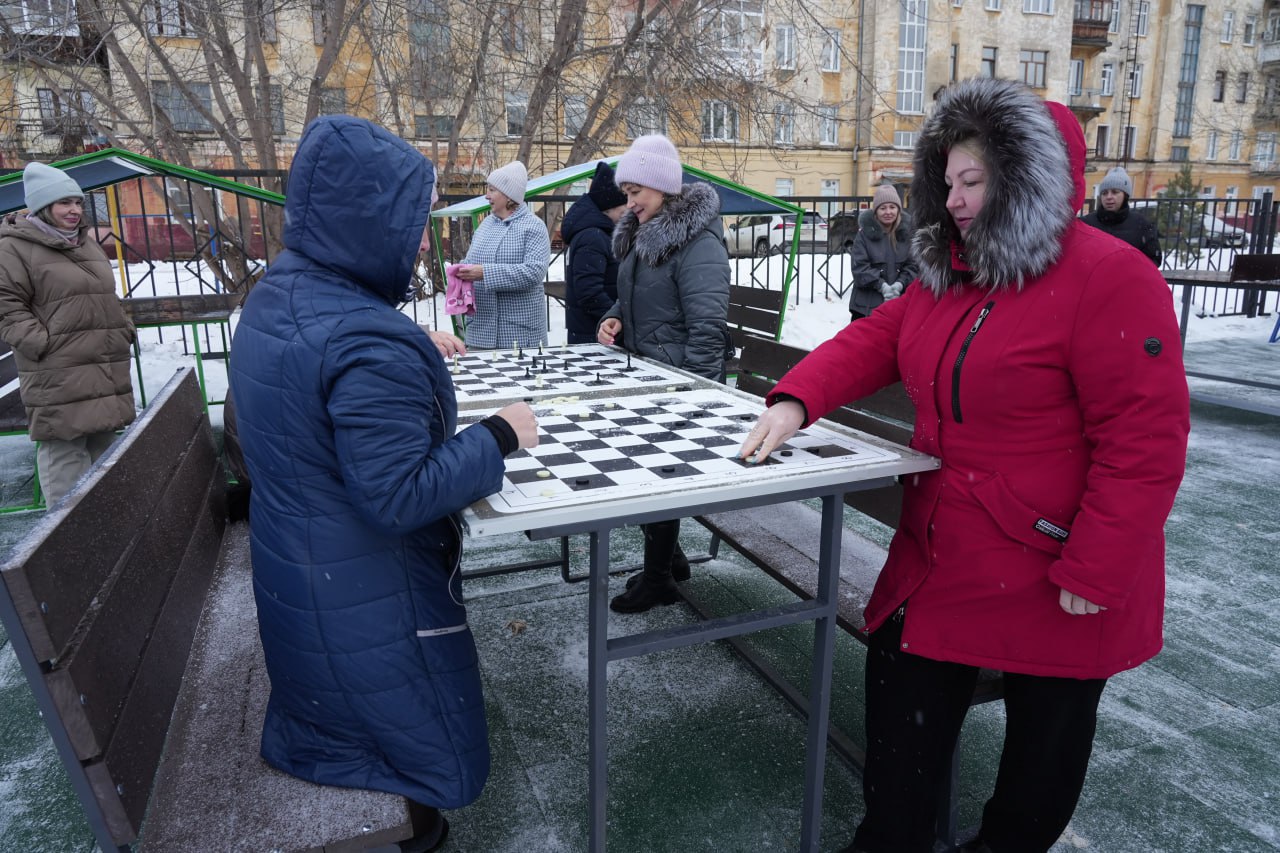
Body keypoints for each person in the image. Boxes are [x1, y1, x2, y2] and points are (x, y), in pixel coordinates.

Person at [740, 78, 1190, 853]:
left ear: (1025, 179)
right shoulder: (949, 276)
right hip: (946, 553)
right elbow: (874, 339)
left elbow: (1144, 437)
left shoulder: (1108, 276)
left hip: (1059, 563)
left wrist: (1096, 565)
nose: (952, 200)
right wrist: (796, 400)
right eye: (947, 181)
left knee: (1038, 770)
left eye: (972, 181)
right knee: (900, 712)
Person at [228, 115, 538, 853]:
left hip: (309, 578)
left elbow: (312, 379)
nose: (424, 241)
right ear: (368, 215)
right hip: (366, 604)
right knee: (437, 750)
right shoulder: (365, 340)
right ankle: (419, 832)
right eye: (415, 220)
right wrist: (501, 433)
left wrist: (396, 336)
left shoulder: (278, 295)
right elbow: (399, 495)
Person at [596, 133, 732, 613]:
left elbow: (708, 325)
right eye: (626, 193)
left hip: (679, 383)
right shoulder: (646, 232)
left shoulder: (698, 243)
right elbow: (637, 297)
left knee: (656, 475)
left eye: (636, 192)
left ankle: (658, 580)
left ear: (664, 187)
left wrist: (696, 393)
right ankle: (669, 560)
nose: (629, 202)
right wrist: (614, 316)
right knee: (639, 467)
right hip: (649, 375)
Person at [0, 162, 136, 506]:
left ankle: (105, 525)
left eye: (77, 202)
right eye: (64, 203)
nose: (74, 210)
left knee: (104, 446)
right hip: (57, 368)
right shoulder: (13, 248)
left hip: (102, 361)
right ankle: (66, 530)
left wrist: (123, 328)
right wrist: (43, 344)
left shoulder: (85, 243)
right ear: (43, 206)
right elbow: (7, 307)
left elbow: (104, 294)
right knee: (64, 450)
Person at [454, 161, 551, 350]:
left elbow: (534, 272)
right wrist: (461, 271)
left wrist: (485, 273)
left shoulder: (533, 226)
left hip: (519, 335)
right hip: (480, 333)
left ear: (509, 196)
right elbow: (472, 261)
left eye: (492, 190)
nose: (486, 195)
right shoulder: (486, 225)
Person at [562, 161, 627, 344]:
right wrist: (618, 319)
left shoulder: (598, 233)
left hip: (594, 331)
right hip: (595, 334)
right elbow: (589, 293)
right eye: (626, 201)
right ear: (611, 204)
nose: (630, 206)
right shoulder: (593, 237)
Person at [848, 183, 919, 321]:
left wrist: (900, 284)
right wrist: (882, 286)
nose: (888, 212)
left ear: (898, 209)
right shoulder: (863, 235)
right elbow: (860, 268)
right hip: (866, 308)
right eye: (883, 208)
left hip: (900, 304)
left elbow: (913, 265)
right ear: (876, 211)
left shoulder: (908, 235)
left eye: (892, 207)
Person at [1081, 166, 1162, 266]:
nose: (1109, 197)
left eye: (1115, 192)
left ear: (1125, 195)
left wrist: (1130, 270)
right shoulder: (1086, 223)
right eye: (1104, 193)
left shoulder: (1141, 225)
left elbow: (1153, 260)